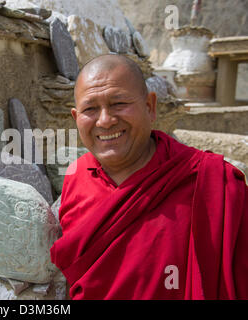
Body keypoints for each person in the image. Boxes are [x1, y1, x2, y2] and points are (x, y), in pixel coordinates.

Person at [50, 54, 248, 300]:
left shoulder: (210, 181)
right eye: (90, 109)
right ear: (75, 118)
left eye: (119, 103)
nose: (105, 120)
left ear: (150, 107)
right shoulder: (76, 178)